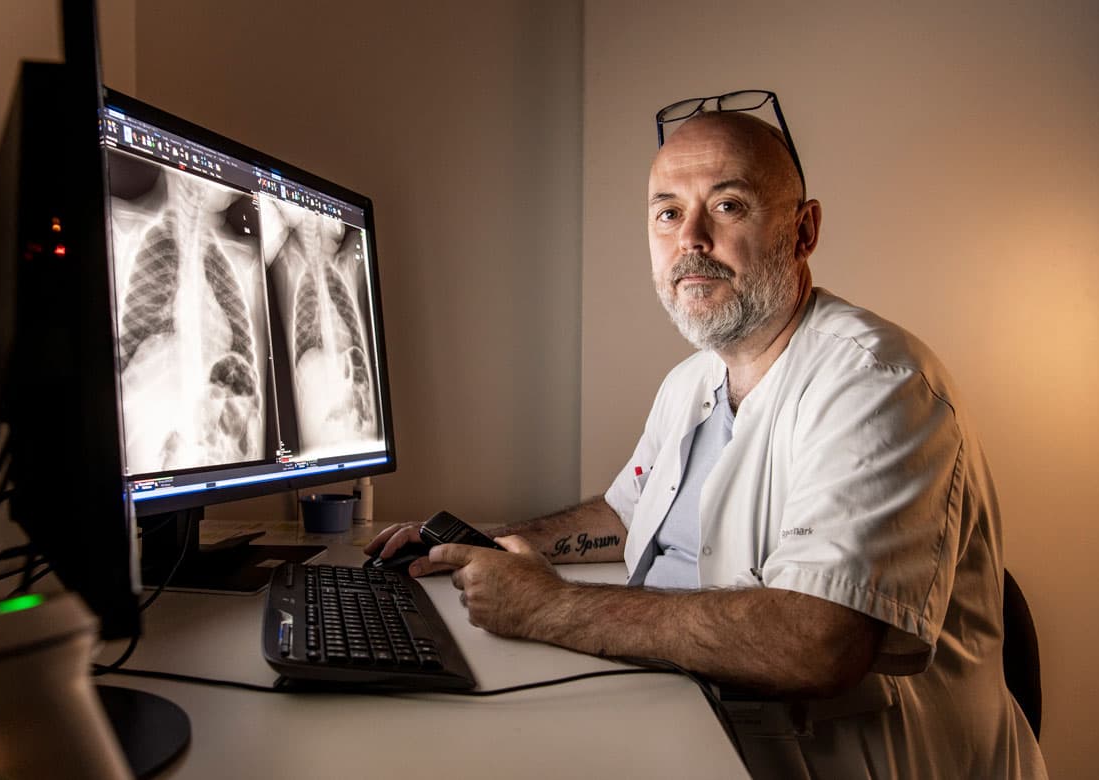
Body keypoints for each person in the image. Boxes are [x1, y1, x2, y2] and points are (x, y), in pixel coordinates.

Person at [366, 97, 1046, 778]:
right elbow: (626, 512)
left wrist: (547, 606)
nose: (690, 238)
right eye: (667, 213)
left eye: (727, 206)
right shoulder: (693, 380)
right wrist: (496, 545)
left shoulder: (877, 383)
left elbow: (819, 643)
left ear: (803, 231)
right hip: (689, 727)